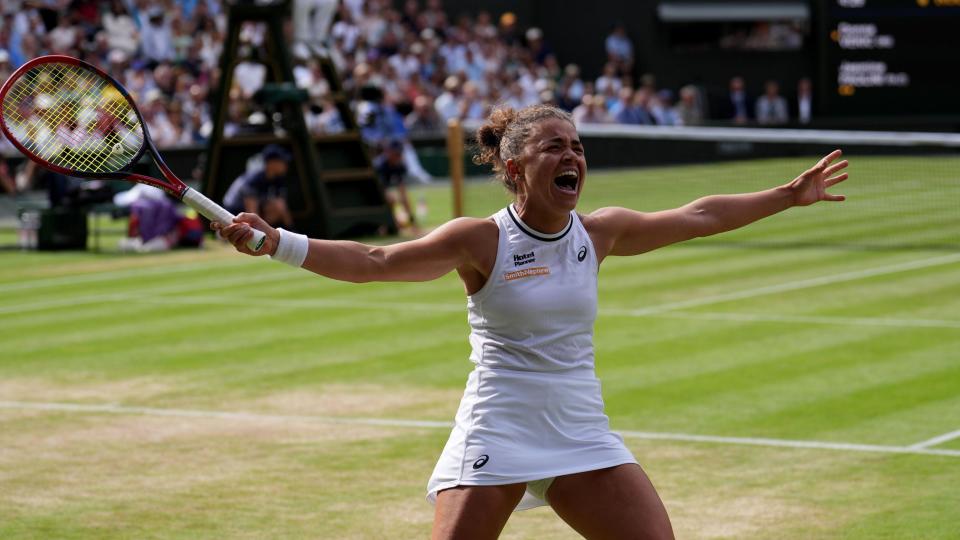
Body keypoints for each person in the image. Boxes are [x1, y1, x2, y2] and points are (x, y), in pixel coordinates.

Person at [215, 104, 849, 539]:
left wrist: (788, 196)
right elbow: (377, 260)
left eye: (576, 146)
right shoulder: (480, 240)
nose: (572, 155)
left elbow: (702, 214)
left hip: (580, 431)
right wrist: (279, 243)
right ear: (516, 169)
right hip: (500, 425)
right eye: (555, 147)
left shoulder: (599, 232)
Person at [223, 144, 294, 228]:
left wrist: (292, 231)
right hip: (233, 213)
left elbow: (281, 206)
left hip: (253, 212)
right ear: (271, 163)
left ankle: (267, 234)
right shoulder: (255, 178)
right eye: (282, 161)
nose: (286, 165)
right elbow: (251, 210)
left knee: (278, 206)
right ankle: (259, 235)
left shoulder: (276, 179)